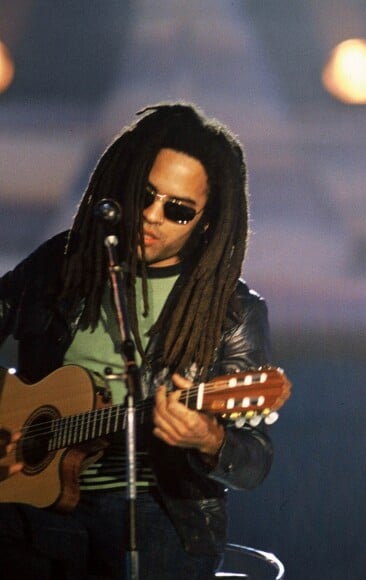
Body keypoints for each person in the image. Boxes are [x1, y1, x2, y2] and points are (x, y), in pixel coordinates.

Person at [0, 103, 276, 579]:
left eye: (177, 210)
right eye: (144, 195)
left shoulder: (234, 313)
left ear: (207, 221)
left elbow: (254, 461)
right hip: (33, 508)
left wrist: (209, 439)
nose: (151, 216)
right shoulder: (62, 264)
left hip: (159, 512)